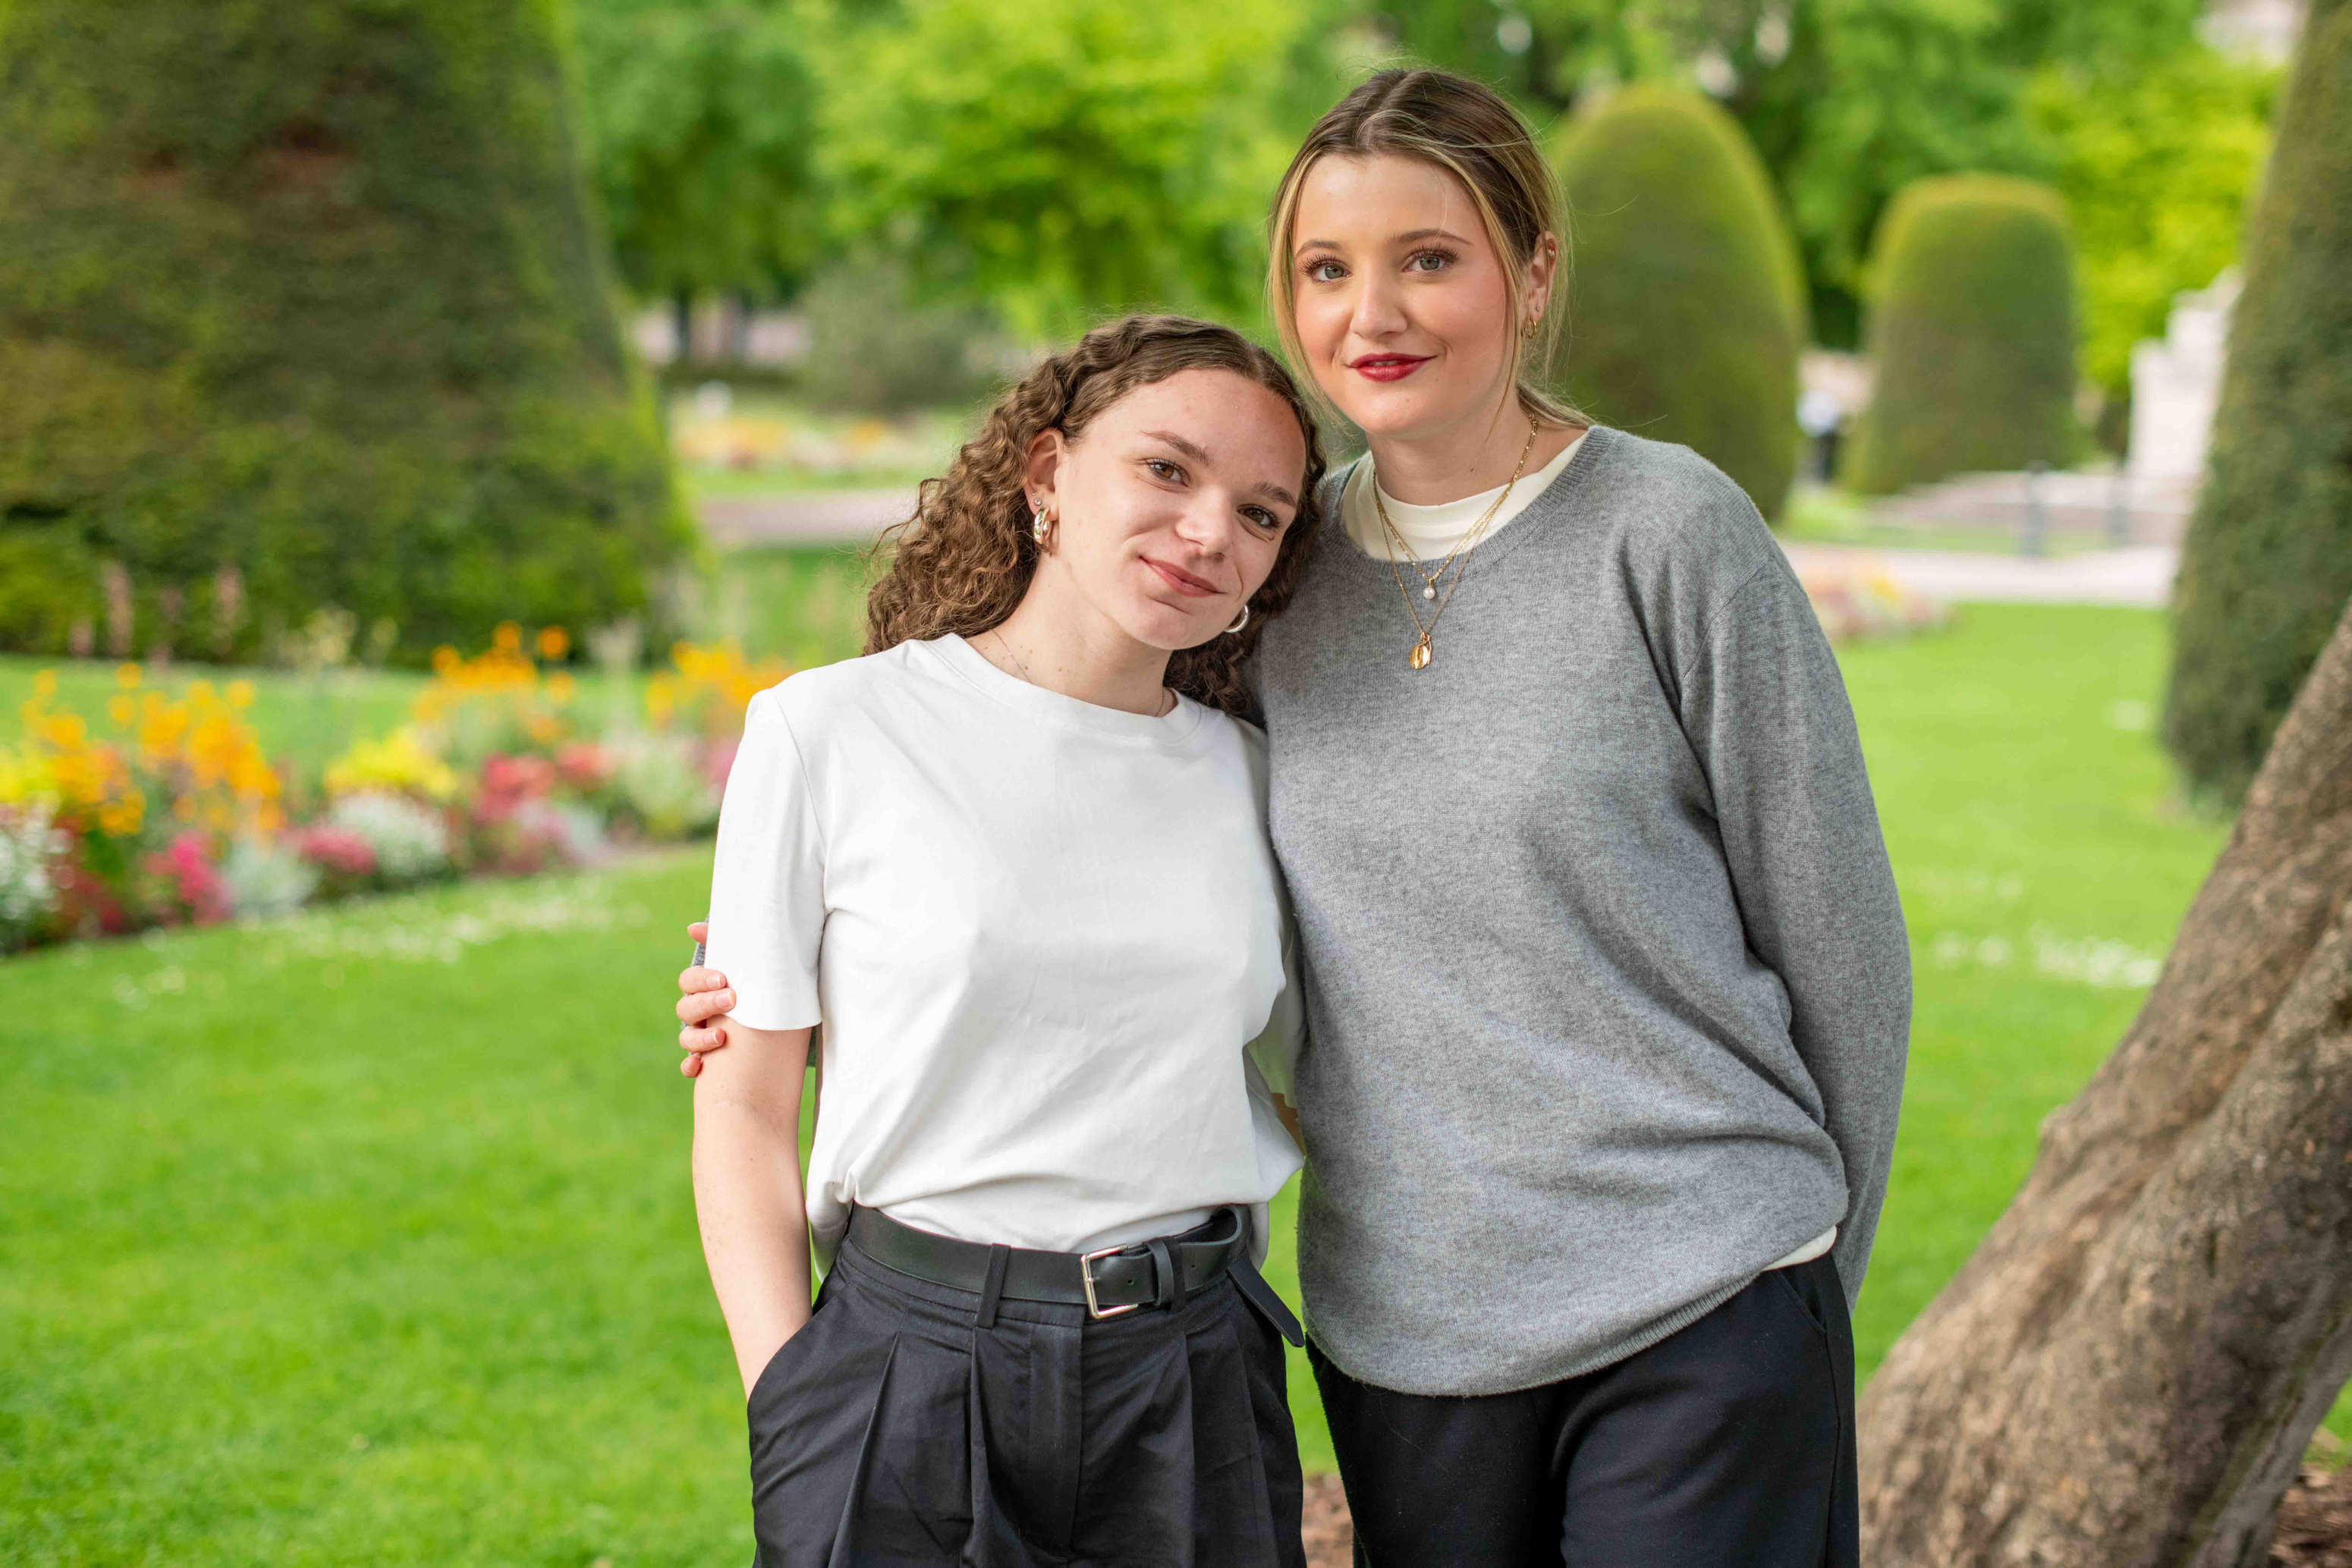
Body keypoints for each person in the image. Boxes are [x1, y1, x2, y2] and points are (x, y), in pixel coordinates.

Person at [684, 69, 1910, 1567]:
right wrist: (803, 970)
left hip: (1703, 1287)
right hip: (1407, 1333)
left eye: (1428, 258)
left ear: (1532, 274)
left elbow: (1840, 944)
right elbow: (1082, 852)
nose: (1371, 311)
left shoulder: (1666, 532)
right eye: (1327, 268)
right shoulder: (1283, 564)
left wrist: (1807, 1275)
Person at [685, 314, 1324, 1567]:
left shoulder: (1260, 780)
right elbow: (745, 1114)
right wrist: (793, 1409)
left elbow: (1323, 1075)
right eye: (1168, 469)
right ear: (1046, 474)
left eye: (1261, 513)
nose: (1210, 531)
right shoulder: (828, 733)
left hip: (1191, 1383)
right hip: (907, 1374)